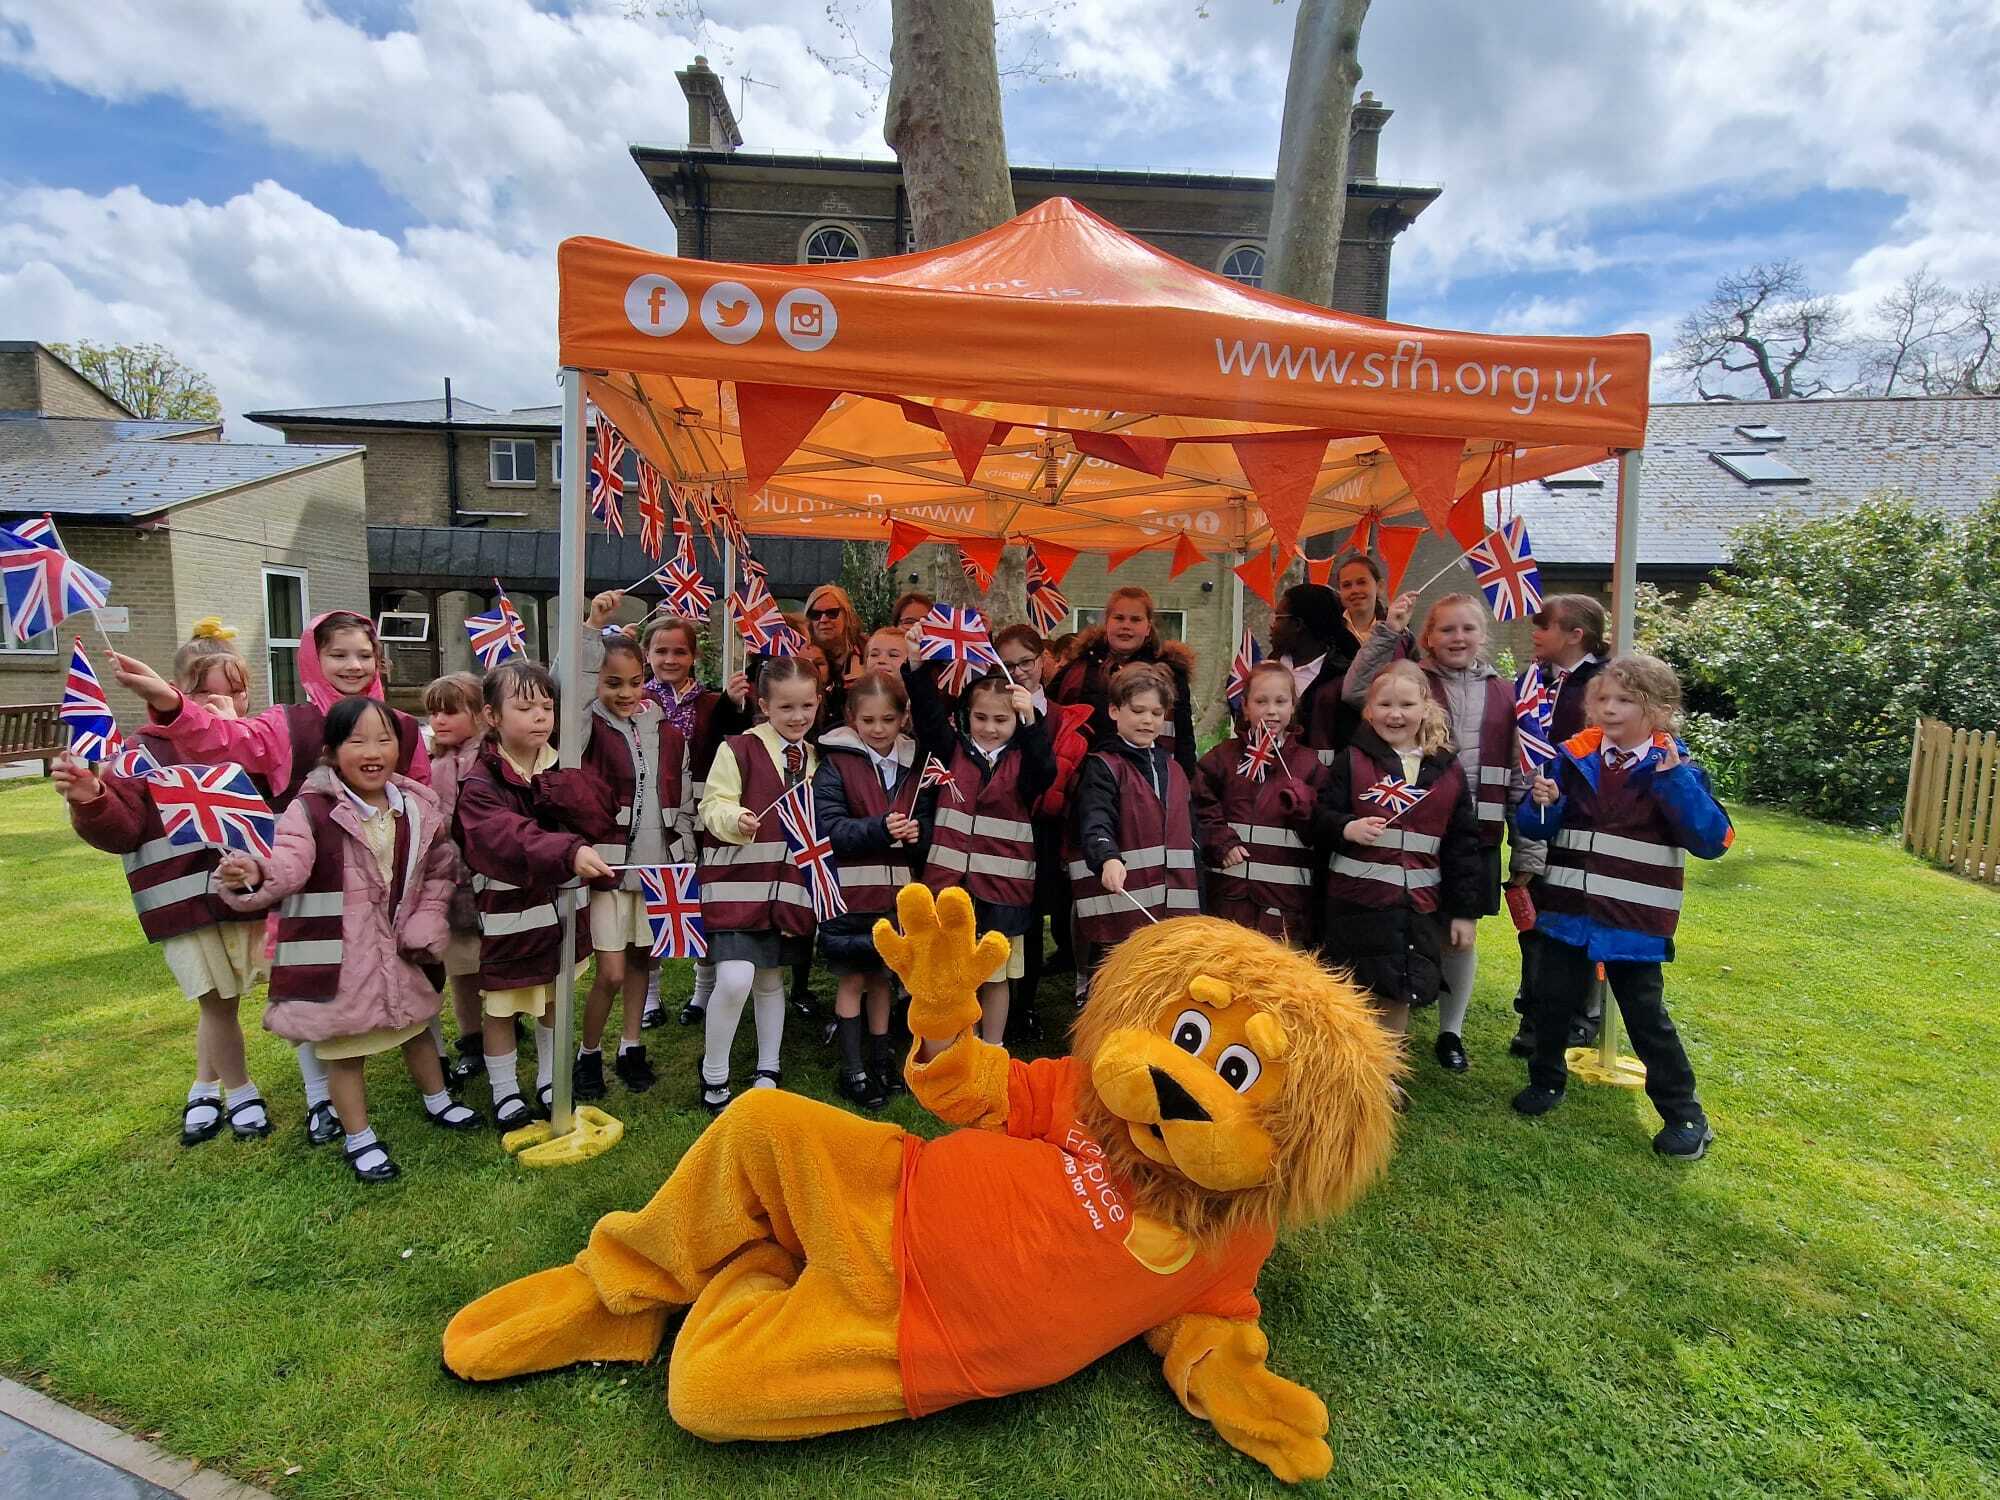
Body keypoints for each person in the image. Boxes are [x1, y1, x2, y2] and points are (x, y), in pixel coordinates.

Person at [108, 609, 433, 1137]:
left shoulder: (399, 726)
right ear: (313, 657)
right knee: (311, 987)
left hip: (385, 881)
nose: (353, 665)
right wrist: (172, 704)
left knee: (405, 973)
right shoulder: (288, 724)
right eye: (338, 654)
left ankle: (433, 1081)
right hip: (312, 886)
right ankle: (318, 1099)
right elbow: (226, 741)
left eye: (363, 654)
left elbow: (421, 794)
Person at [214, 697, 480, 1183]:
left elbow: (441, 865)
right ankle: (360, 1138)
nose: (372, 751)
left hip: (398, 948)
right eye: (356, 741)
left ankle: (439, 1101)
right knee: (344, 1051)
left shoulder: (416, 806)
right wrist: (253, 873)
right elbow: (287, 864)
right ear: (332, 751)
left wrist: (429, 915)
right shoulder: (310, 810)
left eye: (383, 739)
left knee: (416, 1028)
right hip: (341, 956)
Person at [53, 626, 277, 1149]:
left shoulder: (257, 744)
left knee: (248, 993)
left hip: (250, 898)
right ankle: (239, 1091)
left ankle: (205, 1084)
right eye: (203, 692)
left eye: (236, 689)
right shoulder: (143, 755)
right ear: (172, 692)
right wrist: (92, 797)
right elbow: (123, 828)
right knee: (216, 1001)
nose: (223, 701)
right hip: (185, 902)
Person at [1512, 655, 1734, 1160]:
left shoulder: (1680, 770)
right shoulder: (1571, 759)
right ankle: (1547, 1081)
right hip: (1568, 911)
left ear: (1659, 709)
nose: (1610, 709)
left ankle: (1685, 1116)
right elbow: (1538, 828)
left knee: (1646, 1019)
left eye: (1625, 701)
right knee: (1552, 1003)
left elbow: (1713, 840)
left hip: (1634, 920)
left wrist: (1675, 783)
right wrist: (1540, 801)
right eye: (1603, 699)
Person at [1344, 591, 1520, 1074]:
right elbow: (1355, 689)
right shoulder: (1412, 679)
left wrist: (1528, 838)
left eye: (1467, 628)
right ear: (1428, 636)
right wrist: (1388, 630)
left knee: (1458, 934)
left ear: (1483, 636)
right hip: (1407, 827)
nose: (1457, 637)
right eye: (1446, 629)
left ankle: (1451, 1030)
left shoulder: (1505, 691)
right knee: (1408, 924)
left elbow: (1520, 760)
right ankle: (1398, 1015)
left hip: (1474, 829)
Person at [453, 661, 615, 1129]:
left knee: (553, 999)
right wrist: (568, 850)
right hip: (511, 917)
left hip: (563, 913)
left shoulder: (562, 764)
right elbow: (505, 835)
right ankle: (504, 1091)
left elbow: (598, 813)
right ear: (492, 716)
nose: (541, 717)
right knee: (504, 1006)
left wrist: (565, 792)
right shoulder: (482, 780)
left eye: (547, 707)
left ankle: (549, 1076)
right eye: (525, 707)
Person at [1315, 661, 1483, 1066]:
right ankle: (1347, 1069)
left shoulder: (1447, 770)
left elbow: (1463, 846)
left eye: (1406, 704)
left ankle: (1387, 1073)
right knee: (1352, 990)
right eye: (1384, 704)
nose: (1395, 714)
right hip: (1357, 904)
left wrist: (1464, 913)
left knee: (1398, 989)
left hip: (1417, 906)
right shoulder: (1351, 761)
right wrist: (1347, 827)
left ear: (1425, 707)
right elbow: (1319, 817)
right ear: (1368, 711)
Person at [902, 634, 1054, 1043]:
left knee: (994, 974)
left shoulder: (1024, 761)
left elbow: (1046, 772)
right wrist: (917, 667)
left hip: (1003, 890)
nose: (989, 728)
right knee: (948, 970)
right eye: (981, 717)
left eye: (1001, 720)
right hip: (949, 886)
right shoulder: (950, 750)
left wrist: (1032, 724)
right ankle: (946, 1044)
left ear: (1015, 722)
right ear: (966, 716)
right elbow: (929, 716)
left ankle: (993, 1046)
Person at [696, 657, 824, 1110]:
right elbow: (712, 805)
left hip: (788, 887)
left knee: (771, 978)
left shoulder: (816, 757)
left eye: (806, 705)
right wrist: (735, 818)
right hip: (737, 882)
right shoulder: (738, 749)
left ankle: (768, 1067)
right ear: (764, 705)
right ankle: (714, 1071)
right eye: (786, 707)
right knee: (734, 977)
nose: (797, 717)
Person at [574, 636, 690, 1102]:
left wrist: (681, 850)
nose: (626, 693)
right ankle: (588, 1052)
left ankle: (631, 1046)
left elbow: (680, 795)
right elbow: (574, 688)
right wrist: (590, 628)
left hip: (656, 866)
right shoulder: (585, 728)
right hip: (608, 869)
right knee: (612, 971)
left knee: (644, 958)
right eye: (613, 683)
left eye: (635, 682)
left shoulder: (667, 730)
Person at [813, 671, 925, 1107]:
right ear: (851, 718)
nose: (878, 729)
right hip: (848, 894)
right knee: (853, 977)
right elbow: (829, 828)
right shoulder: (836, 763)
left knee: (884, 976)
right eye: (869, 720)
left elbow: (928, 817)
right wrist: (879, 828)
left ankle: (882, 1060)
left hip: (894, 894)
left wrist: (920, 832)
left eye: (888, 720)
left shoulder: (914, 763)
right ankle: (852, 1067)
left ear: (902, 719)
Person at [1506, 594, 1610, 1058]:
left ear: (1575, 635)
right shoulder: (1534, 682)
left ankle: (1579, 1016)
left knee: (1575, 916)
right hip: (1535, 811)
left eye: (1544, 626)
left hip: (1580, 821)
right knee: (1533, 912)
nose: (1535, 633)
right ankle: (1536, 1010)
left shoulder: (1601, 687)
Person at [637, 614, 752, 1030]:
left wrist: (738, 705)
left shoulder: (713, 702)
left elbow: (731, 747)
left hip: (701, 811)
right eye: (661, 651)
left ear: (694, 656)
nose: (670, 659)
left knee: (703, 897)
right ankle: (650, 994)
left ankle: (703, 990)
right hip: (654, 812)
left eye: (680, 651)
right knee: (652, 899)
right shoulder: (638, 701)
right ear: (647, 654)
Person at [1069, 662, 1201, 977]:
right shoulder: (1103, 766)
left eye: (1156, 713)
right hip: (1122, 904)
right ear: (1114, 711)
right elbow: (1095, 818)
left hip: (1174, 905)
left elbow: (1189, 834)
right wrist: (1106, 859)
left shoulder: (1174, 769)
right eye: (1138, 710)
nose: (1147, 720)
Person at [1195, 661, 1326, 944]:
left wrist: (1305, 804)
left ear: (1293, 706)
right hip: (1229, 895)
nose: (1271, 711)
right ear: (1244, 706)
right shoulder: (1223, 758)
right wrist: (1220, 839)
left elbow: (1323, 826)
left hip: (1284, 902)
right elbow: (1198, 804)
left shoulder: (1309, 764)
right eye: (1261, 701)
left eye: (1281, 701)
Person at [999, 623, 1090, 1021]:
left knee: (1033, 918)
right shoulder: (990, 708)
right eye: (1008, 665)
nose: (1019, 672)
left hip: (1043, 830)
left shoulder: (1058, 716)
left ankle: (1024, 1004)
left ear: (1042, 661)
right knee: (1002, 917)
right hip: (1000, 825)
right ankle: (998, 999)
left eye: (1026, 662)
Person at [1046, 586, 1197, 778]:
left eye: (1135, 619)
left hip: (1148, 777)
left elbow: (1184, 738)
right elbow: (1051, 717)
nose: (1126, 626)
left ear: (1148, 627)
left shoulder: (1170, 674)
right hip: (1084, 776)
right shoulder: (1079, 668)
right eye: (1119, 618)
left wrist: (1185, 787)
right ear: (1107, 622)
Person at [423, 672, 489, 1085]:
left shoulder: (489, 757)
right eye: (433, 712)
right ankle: (472, 1037)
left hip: (491, 876)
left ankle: (503, 1022)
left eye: (450, 711)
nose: (439, 720)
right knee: (463, 966)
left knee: (494, 962)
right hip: (453, 881)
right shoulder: (431, 763)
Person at [1268, 583, 1345, 764]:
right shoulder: (1267, 668)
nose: (1272, 625)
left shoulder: (1340, 680)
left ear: (1297, 624)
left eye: (1278, 617)